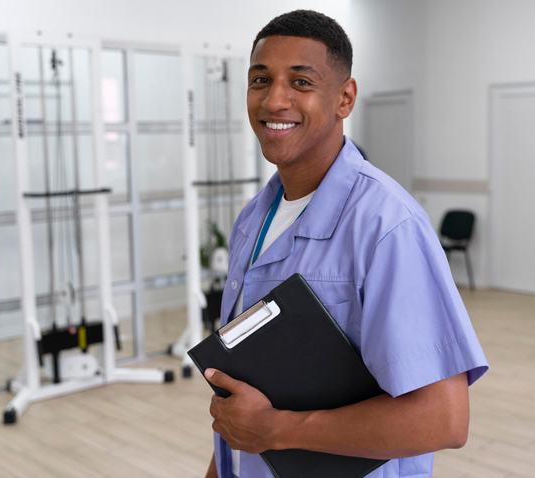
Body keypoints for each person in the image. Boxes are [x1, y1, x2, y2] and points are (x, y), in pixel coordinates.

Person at [203, 10, 488, 478]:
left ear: (345, 98)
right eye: (260, 79)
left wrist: (276, 429)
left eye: (301, 82)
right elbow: (243, 401)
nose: (275, 99)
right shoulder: (253, 219)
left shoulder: (387, 227)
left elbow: (445, 419)